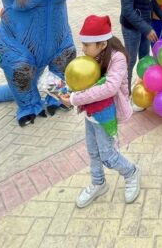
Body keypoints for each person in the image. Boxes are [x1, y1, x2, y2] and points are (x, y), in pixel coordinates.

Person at [60, 15, 141, 208]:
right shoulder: (92, 56)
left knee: (108, 155)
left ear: (102, 44)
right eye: (83, 44)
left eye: (87, 45)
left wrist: (74, 99)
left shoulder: (117, 58)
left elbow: (109, 88)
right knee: (93, 151)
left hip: (106, 113)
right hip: (91, 112)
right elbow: (84, 80)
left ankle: (131, 173)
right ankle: (98, 183)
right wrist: (67, 90)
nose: (83, 49)